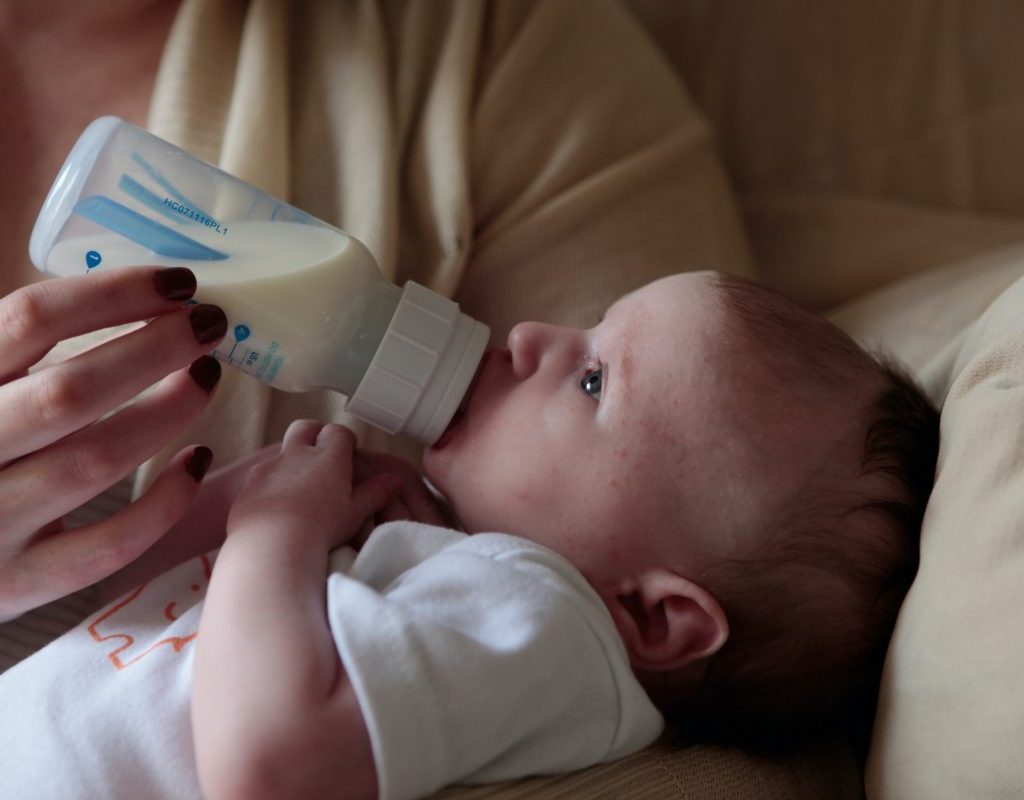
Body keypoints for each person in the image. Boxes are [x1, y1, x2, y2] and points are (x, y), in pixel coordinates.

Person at [0, 270, 940, 800]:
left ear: (653, 616)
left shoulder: (549, 624)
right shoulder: (459, 573)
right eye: (586, 332)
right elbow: (147, 623)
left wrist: (276, 529)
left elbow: (267, 769)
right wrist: (251, 507)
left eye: (592, 381)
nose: (531, 335)